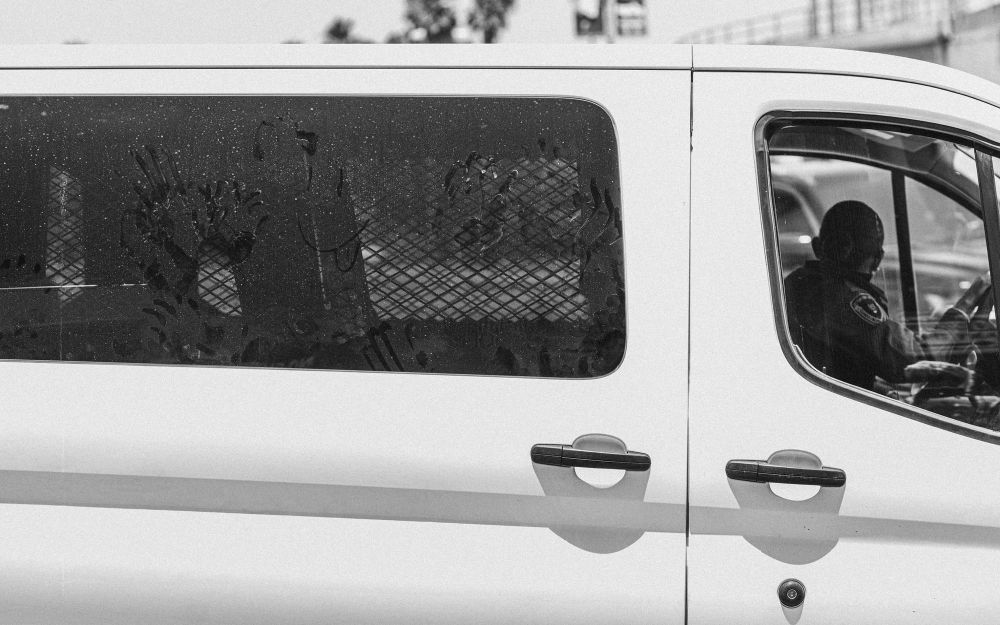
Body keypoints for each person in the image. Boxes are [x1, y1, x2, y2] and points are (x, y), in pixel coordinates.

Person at [784, 200, 991, 393]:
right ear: (877, 260)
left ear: (817, 246)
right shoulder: (839, 297)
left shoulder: (800, 283)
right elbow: (915, 359)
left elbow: (844, 363)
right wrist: (967, 303)